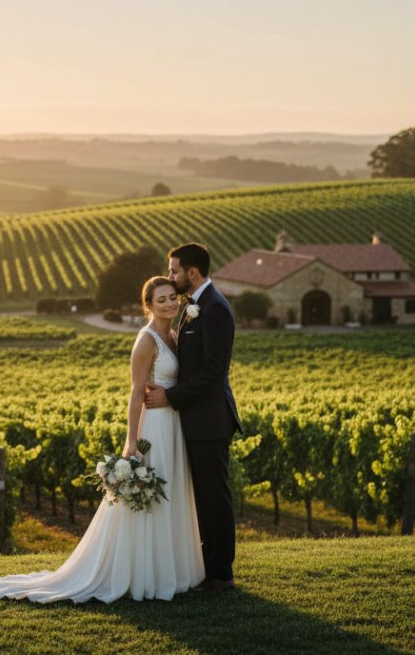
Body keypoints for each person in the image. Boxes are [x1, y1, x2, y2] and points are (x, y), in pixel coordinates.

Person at [0, 276, 204, 603]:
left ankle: (172, 570)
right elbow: (136, 393)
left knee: (171, 493)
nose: (169, 304)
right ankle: (145, 574)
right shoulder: (146, 340)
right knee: (149, 500)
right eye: (161, 300)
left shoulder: (173, 333)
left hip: (174, 424)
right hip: (154, 426)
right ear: (148, 305)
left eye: (172, 298)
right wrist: (131, 440)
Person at [144, 242, 241, 591]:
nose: (170, 276)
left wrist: (170, 396)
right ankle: (206, 567)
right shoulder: (192, 306)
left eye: (174, 271)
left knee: (214, 498)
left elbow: (214, 370)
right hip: (194, 419)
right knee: (201, 498)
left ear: (192, 272)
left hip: (210, 421)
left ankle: (221, 574)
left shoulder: (213, 308)